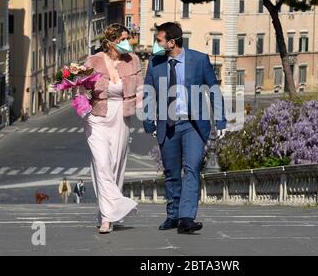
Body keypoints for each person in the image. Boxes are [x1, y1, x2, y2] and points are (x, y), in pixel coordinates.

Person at [143, 22, 226, 234]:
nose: (155, 44)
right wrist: (148, 119)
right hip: (167, 124)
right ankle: (173, 215)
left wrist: (221, 120)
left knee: (191, 169)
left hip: (193, 125)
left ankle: (187, 218)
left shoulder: (199, 60)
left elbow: (213, 90)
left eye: (158, 40)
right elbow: (148, 93)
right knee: (171, 172)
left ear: (171, 42)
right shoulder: (155, 63)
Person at [82, 23, 142, 234]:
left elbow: (141, 88)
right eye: (123, 39)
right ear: (110, 42)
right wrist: (81, 101)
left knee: (116, 165)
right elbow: (81, 88)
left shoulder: (133, 60)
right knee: (102, 164)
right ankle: (112, 213)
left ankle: (106, 214)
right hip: (96, 117)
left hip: (120, 117)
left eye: (128, 38)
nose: (128, 42)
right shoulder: (93, 61)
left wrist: (149, 114)